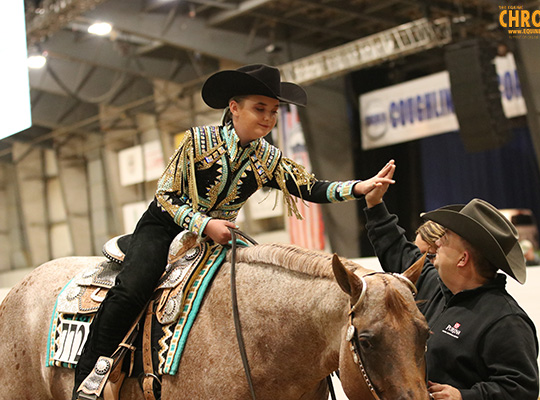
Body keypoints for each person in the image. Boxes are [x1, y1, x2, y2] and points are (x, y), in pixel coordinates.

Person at [72, 64, 395, 399]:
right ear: (234, 107)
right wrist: (203, 224)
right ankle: (91, 375)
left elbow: (310, 187)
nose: (268, 118)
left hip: (220, 237)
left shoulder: (267, 158)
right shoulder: (198, 141)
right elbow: (165, 195)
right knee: (134, 286)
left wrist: (359, 187)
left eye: (273, 111)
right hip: (165, 225)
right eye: (260, 109)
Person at [363, 161, 539, 400]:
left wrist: (464, 396)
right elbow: (400, 252)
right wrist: (375, 205)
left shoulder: (505, 320)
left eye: (445, 240)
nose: (436, 245)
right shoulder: (436, 285)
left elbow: (521, 389)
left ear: (463, 259)